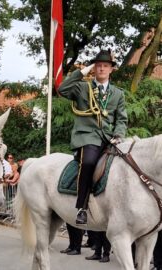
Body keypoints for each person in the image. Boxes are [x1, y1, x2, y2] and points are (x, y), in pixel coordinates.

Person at [58, 49, 128, 225]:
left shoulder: (118, 93)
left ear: (111, 69)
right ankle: (82, 207)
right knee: (89, 162)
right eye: (98, 66)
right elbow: (62, 89)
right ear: (93, 68)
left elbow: (121, 119)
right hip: (87, 136)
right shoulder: (82, 87)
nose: (102, 69)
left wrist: (119, 134)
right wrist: (83, 71)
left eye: (106, 66)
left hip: (109, 138)